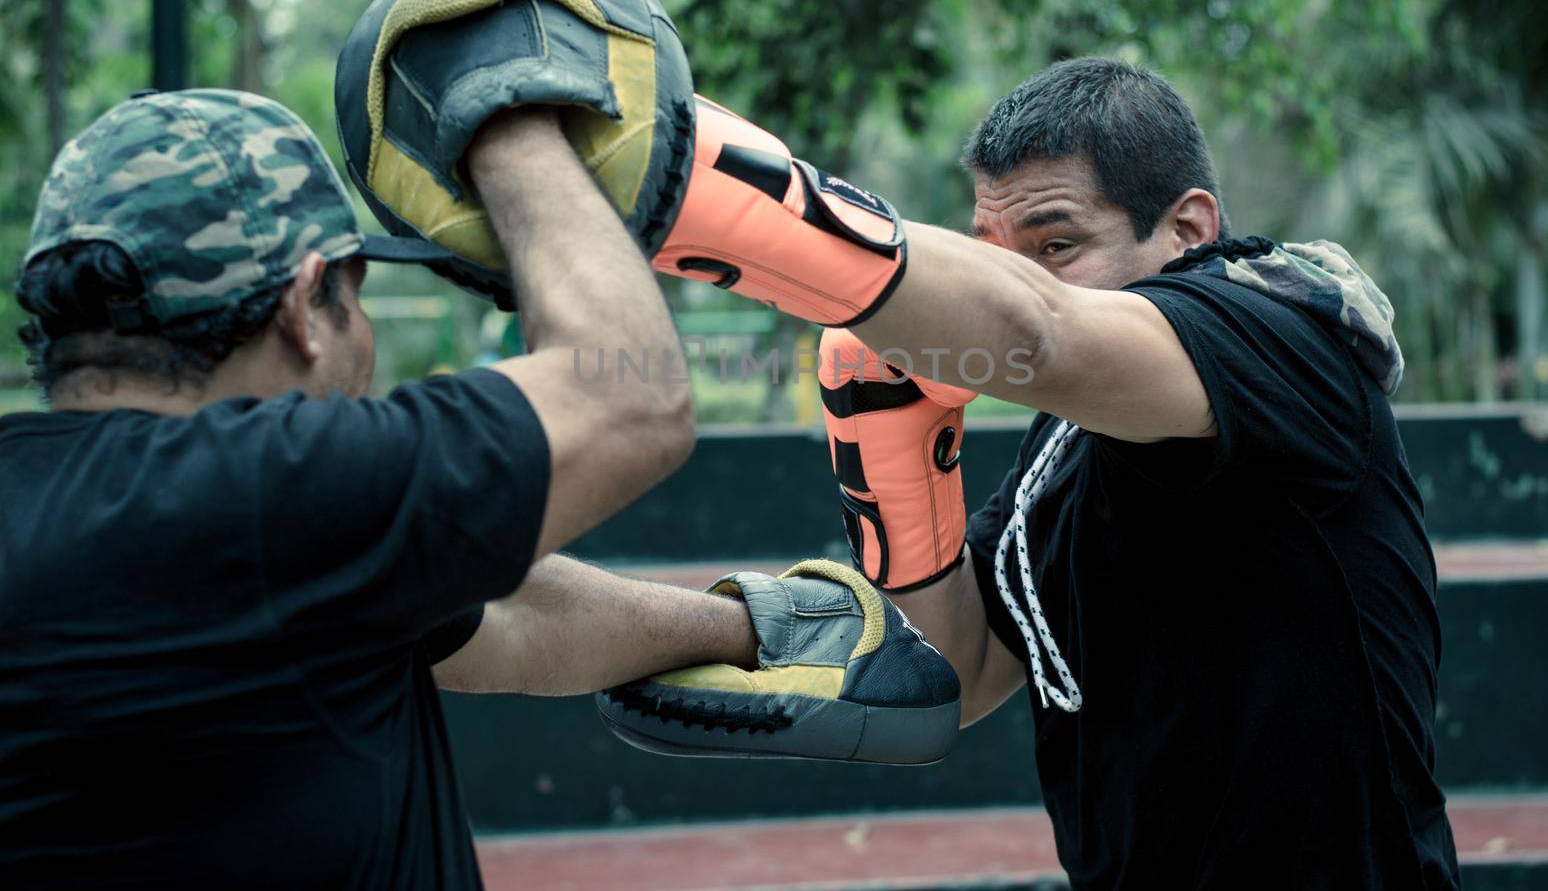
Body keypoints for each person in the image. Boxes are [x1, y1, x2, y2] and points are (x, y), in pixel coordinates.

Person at [0, 89, 951, 890]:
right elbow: (630, 398)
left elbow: (506, 617)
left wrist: (752, 627)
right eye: (358, 295)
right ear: (304, 308)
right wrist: (506, 116)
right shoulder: (270, 489)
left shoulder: (261, 541)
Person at [628, 57, 1461, 889]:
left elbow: (1036, 333)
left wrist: (690, 175)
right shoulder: (1064, 443)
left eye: (1056, 245)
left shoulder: (1274, 336)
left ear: (1189, 231)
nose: (1016, 279)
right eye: (993, 253)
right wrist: (891, 460)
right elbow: (963, 669)